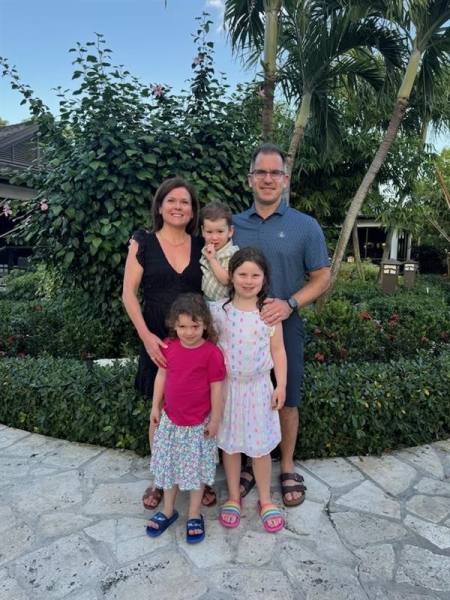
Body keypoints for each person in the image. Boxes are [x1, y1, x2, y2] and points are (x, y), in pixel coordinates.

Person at [232, 144, 331, 507]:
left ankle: (286, 465)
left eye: (275, 173)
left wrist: (290, 304)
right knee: (241, 395)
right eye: (261, 172)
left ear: (286, 180)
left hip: (284, 326)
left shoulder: (305, 226)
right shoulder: (234, 226)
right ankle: (246, 464)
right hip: (240, 331)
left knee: (287, 400)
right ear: (250, 180)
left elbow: (322, 277)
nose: (268, 179)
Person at [122, 177, 217, 510]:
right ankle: (160, 480)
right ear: (160, 206)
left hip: (195, 343)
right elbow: (128, 294)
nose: (179, 207)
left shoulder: (201, 245)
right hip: (157, 339)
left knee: (197, 410)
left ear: (193, 212)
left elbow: (217, 288)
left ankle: (197, 479)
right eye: (172, 201)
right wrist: (146, 337)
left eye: (186, 202)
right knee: (160, 412)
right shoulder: (143, 242)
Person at [210, 248, 287, 533]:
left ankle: (265, 499)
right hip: (228, 391)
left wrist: (282, 385)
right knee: (229, 446)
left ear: (264, 277)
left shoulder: (268, 314)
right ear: (231, 276)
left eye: (255, 274)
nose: (248, 280)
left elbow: (278, 351)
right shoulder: (219, 311)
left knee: (260, 448)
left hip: (258, 391)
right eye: (242, 273)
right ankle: (233, 496)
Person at [146, 294, 225, 543]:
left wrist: (215, 419)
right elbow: (161, 376)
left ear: (205, 325)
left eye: (195, 326)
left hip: (198, 425)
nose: (189, 332)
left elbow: (216, 387)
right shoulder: (169, 348)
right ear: (173, 325)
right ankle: (168, 510)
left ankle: (194, 513)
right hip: (171, 422)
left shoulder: (212, 353)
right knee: (169, 469)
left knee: (197, 472)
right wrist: (155, 406)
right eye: (182, 326)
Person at [200, 199, 239, 301]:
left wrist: (212, 260)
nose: (214, 237)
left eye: (220, 231)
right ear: (203, 231)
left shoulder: (231, 253)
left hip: (224, 303)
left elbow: (226, 279)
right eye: (209, 232)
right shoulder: (204, 249)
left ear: (230, 231)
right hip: (205, 300)